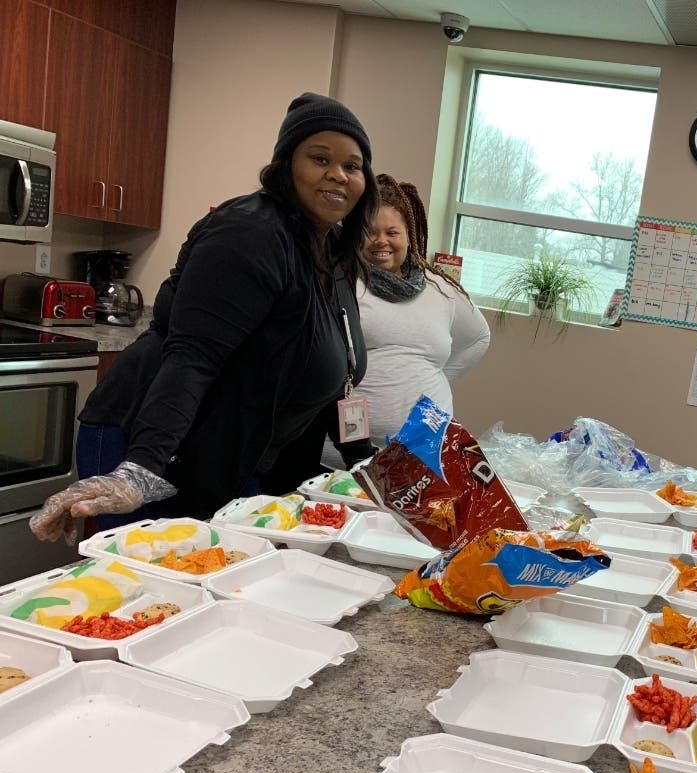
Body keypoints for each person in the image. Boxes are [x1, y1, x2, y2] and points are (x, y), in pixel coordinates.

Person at [29, 92, 379, 542]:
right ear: (286, 165)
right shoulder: (251, 233)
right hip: (154, 444)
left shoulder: (333, 253)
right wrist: (140, 470)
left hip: (231, 455)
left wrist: (367, 465)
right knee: (145, 598)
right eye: (320, 158)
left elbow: (339, 379)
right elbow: (193, 357)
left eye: (352, 166)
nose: (338, 174)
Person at [317, 174, 490, 468]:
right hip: (345, 460)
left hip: (426, 454)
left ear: (409, 234)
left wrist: (434, 380)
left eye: (392, 232)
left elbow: (478, 338)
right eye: (369, 231)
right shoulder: (338, 282)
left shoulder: (440, 288)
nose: (380, 241)